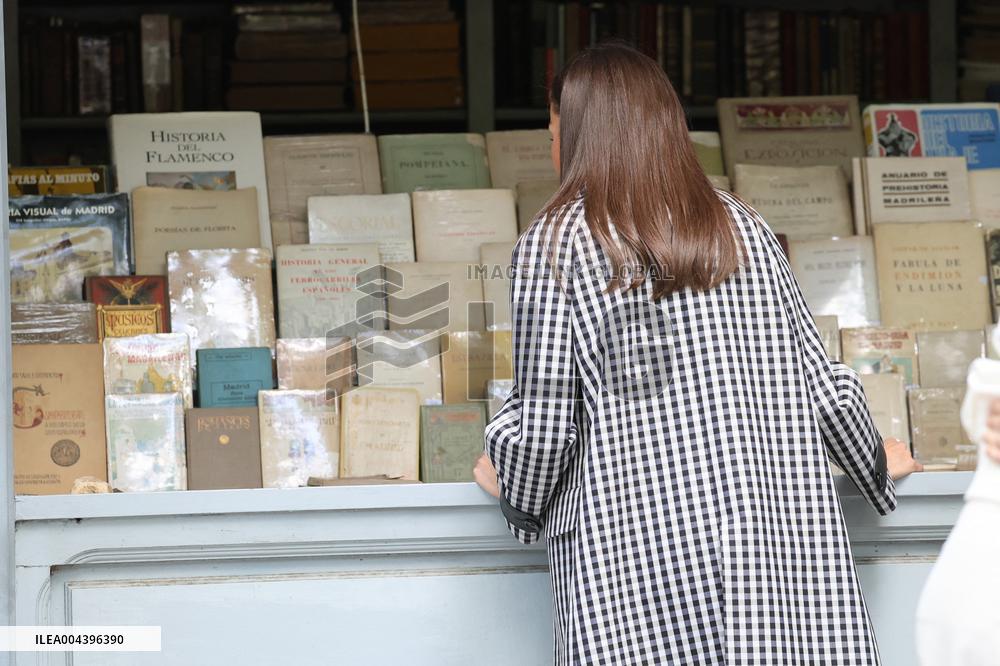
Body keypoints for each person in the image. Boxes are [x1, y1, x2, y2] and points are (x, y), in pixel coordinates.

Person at [472, 43, 922, 665]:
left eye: (555, 133)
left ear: (580, 137)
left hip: (638, 563)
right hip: (775, 554)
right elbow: (822, 384)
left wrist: (514, 487)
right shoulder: (742, 226)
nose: (552, 150)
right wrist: (873, 462)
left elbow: (545, 424)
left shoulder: (555, 243)